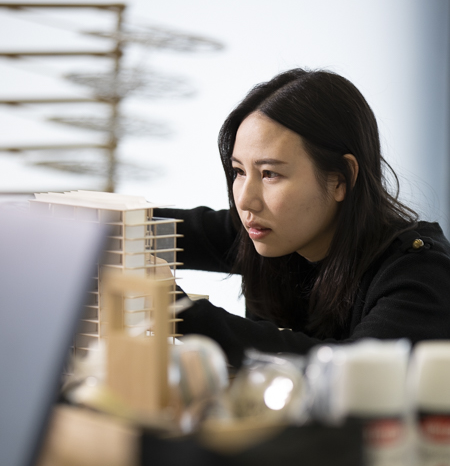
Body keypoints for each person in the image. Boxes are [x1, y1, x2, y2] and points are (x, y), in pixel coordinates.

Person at [157, 68, 450, 368]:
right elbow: (142, 230)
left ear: (340, 180)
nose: (244, 199)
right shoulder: (271, 230)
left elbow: (349, 371)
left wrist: (179, 311)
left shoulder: (420, 274)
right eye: (239, 172)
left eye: (270, 174)